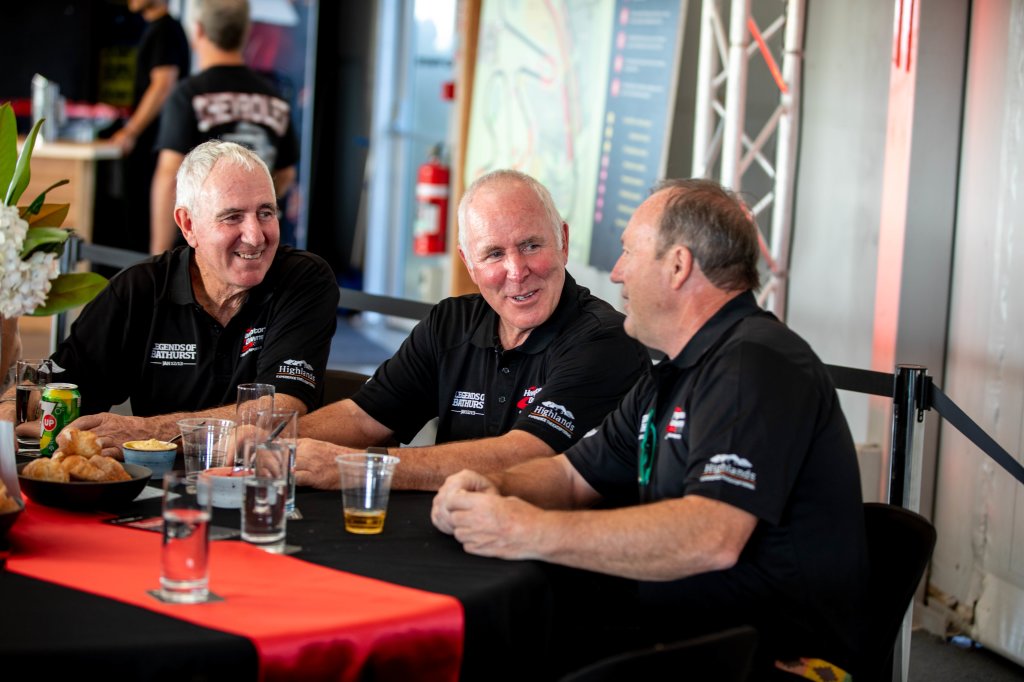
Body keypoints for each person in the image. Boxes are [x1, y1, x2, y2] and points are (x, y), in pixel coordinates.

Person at [431, 179, 868, 675]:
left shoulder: (753, 365)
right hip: (685, 636)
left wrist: (522, 529)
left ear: (678, 266)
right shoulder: (676, 372)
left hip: (768, 660)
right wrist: (488, 486)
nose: (617, 273)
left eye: (628, 253)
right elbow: (572, 476)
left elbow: (710, 536)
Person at [294, 170, 651, 491]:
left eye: (530, 245)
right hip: (454, 525)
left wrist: (362, 468)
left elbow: (524, 454)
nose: (516, 271)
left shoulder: (605, 339)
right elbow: (364, 417)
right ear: (469, 264)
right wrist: (277, 442)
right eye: (494, 254)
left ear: (563, 243)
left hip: (551, 538)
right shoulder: (450, 322)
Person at [4, 140, 338, 458]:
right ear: (188, 224)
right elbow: (60, 382)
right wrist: (10, 409)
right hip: (151, 487)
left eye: (265, 212)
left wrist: (146, 433)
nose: (255, 236)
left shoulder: (303, 278)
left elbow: (280, 411)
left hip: (260, 483)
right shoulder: (139, 289)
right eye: (233, 216)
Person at [151, 0, 299, 255]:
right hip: (258, 248)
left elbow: (169, 177)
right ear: (246, 31)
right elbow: (285, 174)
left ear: (198, 30)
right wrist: (253, 206)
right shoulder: (274, 97)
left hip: (201, 252)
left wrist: (159, 257)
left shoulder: (188, 95)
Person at [108, 0, 190, 255]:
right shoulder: (159, 28)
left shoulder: (165, 29)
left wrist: (131, 131)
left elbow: (163, 84)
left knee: (146, 241)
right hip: (153, 149)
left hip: (155, 151)